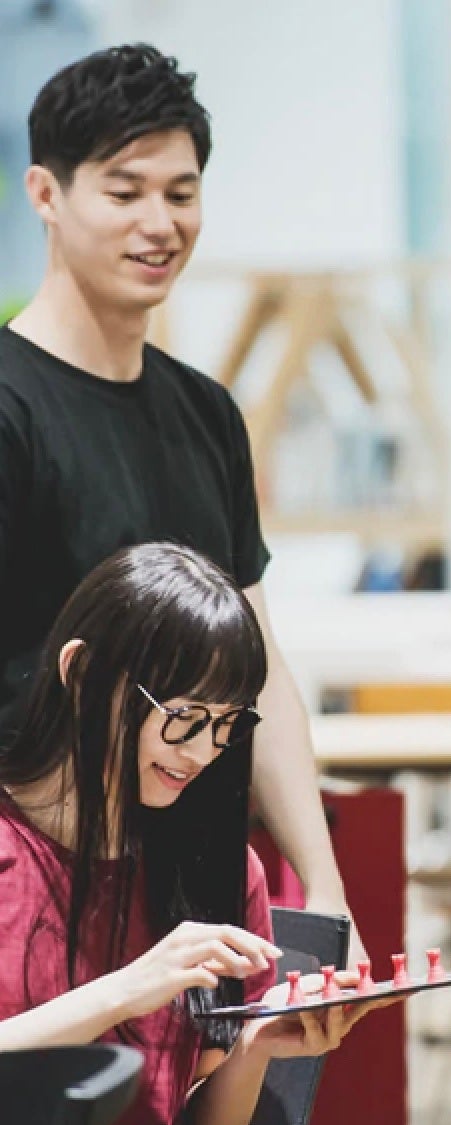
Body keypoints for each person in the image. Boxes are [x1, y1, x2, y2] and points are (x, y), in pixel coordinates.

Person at [0, 44, 363, 955]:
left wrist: (323, 889)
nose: (158, 223)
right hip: (41, 902)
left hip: (197, 886)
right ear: (46, 194)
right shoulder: (10, 409)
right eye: (124, 192)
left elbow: (257, 669)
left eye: (181, 192)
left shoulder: (208, 415)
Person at [0, 542, 388, 1125]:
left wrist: (255, 1045)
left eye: (226, 723)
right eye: (182, 718)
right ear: (82, 672)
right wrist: (126, 991)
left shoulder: (216, 872)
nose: (203, 752)